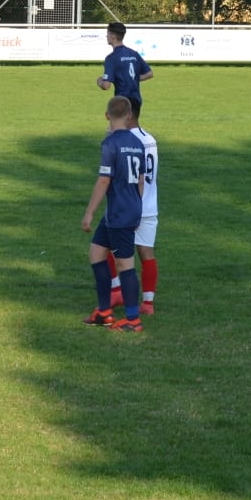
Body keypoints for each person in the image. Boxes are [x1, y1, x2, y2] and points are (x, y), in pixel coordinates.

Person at [80, 95, 147, 332]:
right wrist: (137, 206)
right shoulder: (138, 143)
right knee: (96, 253)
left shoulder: (110, 143)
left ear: (107, 115)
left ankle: (133, 319)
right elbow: (141, 180)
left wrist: (89, 212)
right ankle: (104, 311)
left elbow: (104, 180)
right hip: (122, 210)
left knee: (124, 265)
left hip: (120, 213)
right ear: (129, 116)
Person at [109, 106, 159, 314]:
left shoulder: (126, 141)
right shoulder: (150, 139)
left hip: (129, 205)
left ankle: (116, 291)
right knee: (146, 253)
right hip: (150, 205)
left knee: (105, 246)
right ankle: (148, 303)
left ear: (127, 116)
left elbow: (127, 175)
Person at [96, 21, 153, 116]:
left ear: (113, 36)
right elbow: (149, 73)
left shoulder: (111, 58)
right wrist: (131, 78)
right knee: (133, 124)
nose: (106, 36)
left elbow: (106, 85)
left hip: (122, 101)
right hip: (136, 100)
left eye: (108, 34)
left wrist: (99, 81)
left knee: (117, 125)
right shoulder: (134, 54)